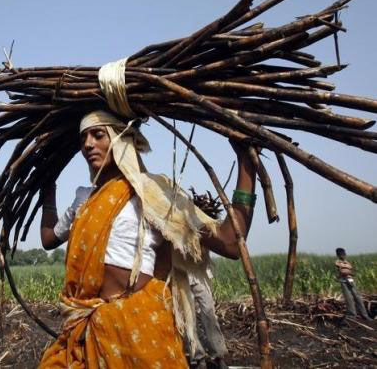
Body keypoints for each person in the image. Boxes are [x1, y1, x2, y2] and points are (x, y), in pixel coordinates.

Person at [39, 110, 258, 368]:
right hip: (84, 333)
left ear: (122, 140)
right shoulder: (83, 199)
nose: (88, 145)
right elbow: (49, 239)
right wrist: (48, 190)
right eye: (84, 138)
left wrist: (246, 163)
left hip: (140, 329)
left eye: (99, 135)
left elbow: (231, 243)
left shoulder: (154, 194)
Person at [188, 250, 228, 369]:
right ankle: (199, 357)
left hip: (199, 271)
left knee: (209, 312)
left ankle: (219, 355)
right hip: (180, 273)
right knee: (188, 318)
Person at [335, 247, 371, 320]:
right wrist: (349, 272)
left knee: (358, 297)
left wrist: (349, 272)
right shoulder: (338, 262)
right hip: (344, 281)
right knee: (349, 298)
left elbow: (349, 271)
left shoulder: (347, 262)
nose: (343, 256)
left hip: (350, 280)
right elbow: (343, 271)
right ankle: (352, 315)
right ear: (338, 255)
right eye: (341, 254)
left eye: (344, 254)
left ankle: (364, 315)